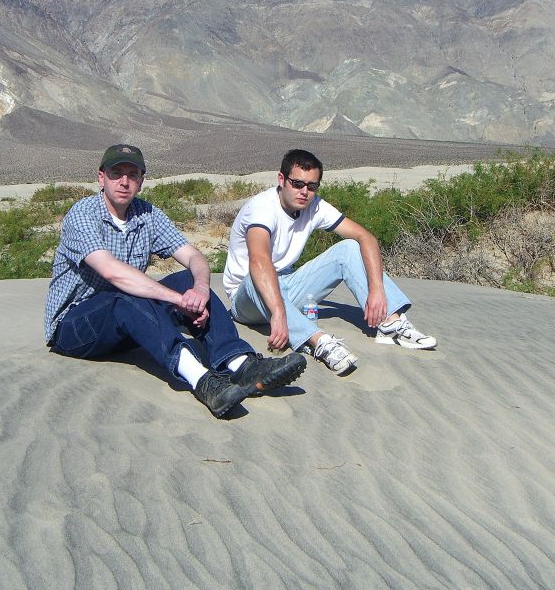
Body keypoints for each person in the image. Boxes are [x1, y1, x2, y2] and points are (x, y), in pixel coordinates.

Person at [45, 144, 306, 418]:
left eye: (132, 174)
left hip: (129, 321)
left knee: (186, 279)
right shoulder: (83, 214)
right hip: (75, 328)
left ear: (141, 181)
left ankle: (241, 365)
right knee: (125, 294)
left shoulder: (146, 215)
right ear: (101, 177)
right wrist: (179, 301)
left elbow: (194, 256)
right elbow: (112, 272)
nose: (124, 181)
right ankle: (203, 382)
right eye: (116, 173)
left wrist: (200, 290)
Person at [223, 149, 436, 376]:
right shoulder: (261, 208)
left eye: (312, 186)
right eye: (297, 184)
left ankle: (391, 322)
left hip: (287, 282)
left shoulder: (315, 206)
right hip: (247, 298)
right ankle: (320, 342)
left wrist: (376, 290)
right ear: (281, 180)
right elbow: (259, 261)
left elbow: (366, 238)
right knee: (257, 276)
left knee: (350, 248)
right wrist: (278, 312)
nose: (304, 192)